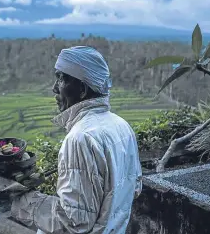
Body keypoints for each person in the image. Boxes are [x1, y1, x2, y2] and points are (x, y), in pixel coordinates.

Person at [11, 46, 143, 234]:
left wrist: (21, 202)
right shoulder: (122, 125)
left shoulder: (80, 138)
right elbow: (134, 188)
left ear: (82, 89)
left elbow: (74, 223)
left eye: (62, 78)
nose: (54, 87)